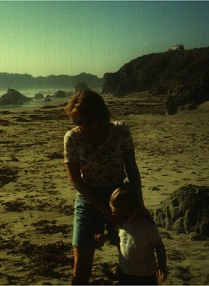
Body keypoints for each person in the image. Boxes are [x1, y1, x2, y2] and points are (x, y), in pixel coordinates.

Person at [63, 90, 144, 284]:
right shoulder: (72, 138)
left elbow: (131, 168)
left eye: (87, 122)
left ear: (100, 116)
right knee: (81, 267)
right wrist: (103, 209)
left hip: (119, 196)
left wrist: (139, 205)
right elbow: (76, 180)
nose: (82, 128)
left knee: (131, 259)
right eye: (78, 123)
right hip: (89, 197)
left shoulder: (121, 130)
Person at [105, 186, 168, 285]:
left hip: (145, 275)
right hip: (124, 272)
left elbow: (159, 247)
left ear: (133, 210)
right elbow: (119, 239)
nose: (115, 217)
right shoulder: (121, 224)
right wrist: (105, 237)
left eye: (119, 214)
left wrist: (162, 267)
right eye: (114, 213)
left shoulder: (146, 226)